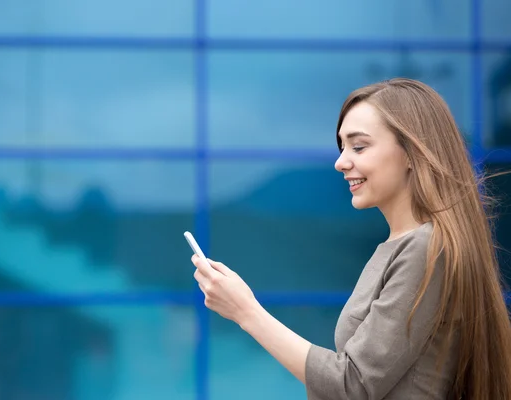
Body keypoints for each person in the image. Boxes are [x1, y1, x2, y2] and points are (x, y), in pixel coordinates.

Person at [191, 78, 511, 399]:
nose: (341, 162)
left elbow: (352, 385)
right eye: (342, 147)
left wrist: (246, 311)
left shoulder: (423, 247)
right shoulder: (403, 246)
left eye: (358, 146)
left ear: (413, 152)